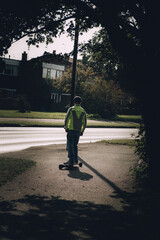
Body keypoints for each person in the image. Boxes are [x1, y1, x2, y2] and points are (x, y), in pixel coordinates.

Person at [64, 96, 87, 168]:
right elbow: (84, 122)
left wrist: (66, 127)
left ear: (74, 102)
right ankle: (75, 160)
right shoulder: (83, 111)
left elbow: (67, 119)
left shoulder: (71, 109)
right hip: (78, 131)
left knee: (69, 145)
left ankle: (71, 160)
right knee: (75, 145)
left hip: (71, 130)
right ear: (80, 103)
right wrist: (82, 130)